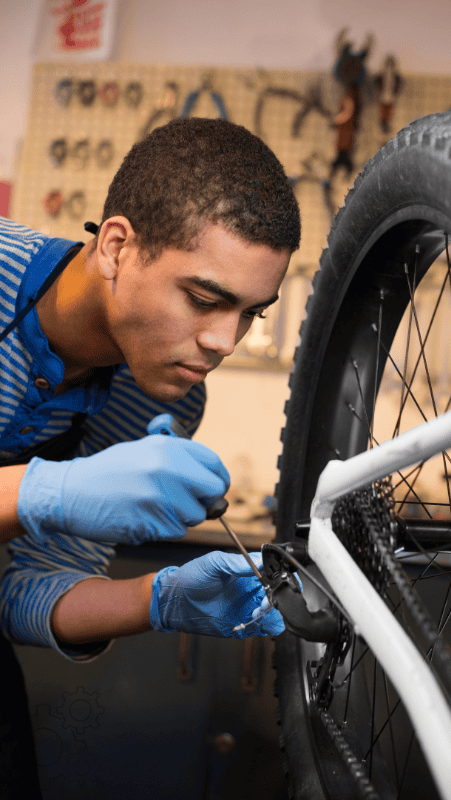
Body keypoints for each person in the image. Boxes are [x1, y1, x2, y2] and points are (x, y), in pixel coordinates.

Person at [0, 116, 301, 795]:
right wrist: (47, 491)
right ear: (116, 246)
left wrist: (156, 599)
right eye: (204, 298)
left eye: (252, 312)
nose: (227, 340)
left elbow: (27, 590)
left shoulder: (159, 399)